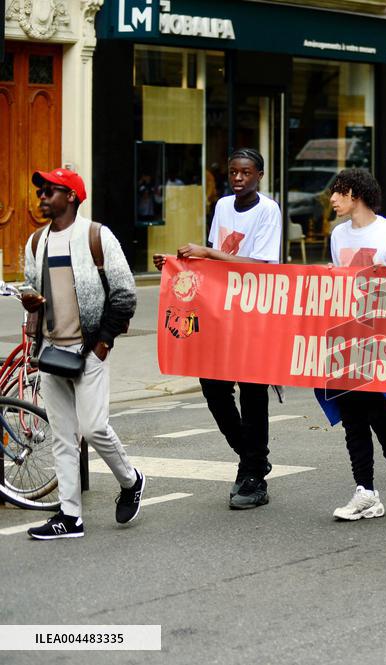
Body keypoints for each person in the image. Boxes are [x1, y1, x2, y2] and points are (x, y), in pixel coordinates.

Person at [154, 148, 282, 509]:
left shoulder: (268, 210)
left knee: (253, 394)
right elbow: (212, 262)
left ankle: (254, 475)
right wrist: (176, 262)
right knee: (213, 386)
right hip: (220, 312)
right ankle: (252, 457)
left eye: (245, 173)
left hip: (255, 314)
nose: (238, 178)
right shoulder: (224, 206)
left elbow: (259, 265)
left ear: (259, 175)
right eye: (233, 172)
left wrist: (207, 254)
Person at [21, 167, 141, 539]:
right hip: (51, 351)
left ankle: (131, 479)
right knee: (62, 435)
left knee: (93, 427)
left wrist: (102, 344)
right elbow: (31, 291)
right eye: (40, 191)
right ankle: (70, 516)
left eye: (49, 191)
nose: (42, 197)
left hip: (88, 349)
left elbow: (125, 294)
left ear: (70, 196)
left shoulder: (96, 236)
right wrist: (31, 305)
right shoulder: (36, 242)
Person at [319, 168, 386, 521]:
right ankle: (365, 491)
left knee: (381, 412)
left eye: (338, 192)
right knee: (352, 418)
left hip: (381, 336)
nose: (332, 199)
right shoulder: (337, 234)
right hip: (345, 336)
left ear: (356, 194)